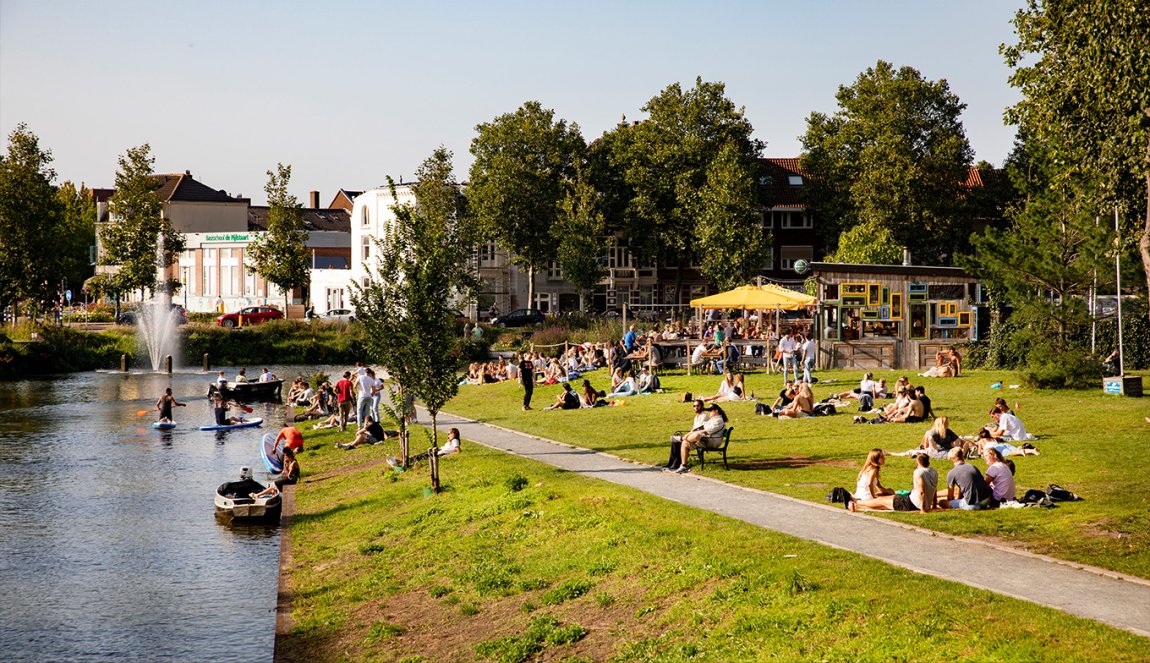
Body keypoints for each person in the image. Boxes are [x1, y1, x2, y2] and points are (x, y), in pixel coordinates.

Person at [847, 454, 939, 513]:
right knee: (890, 497)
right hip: (910, 500)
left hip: (910, 503)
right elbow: (934, 488)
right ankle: (858, 502)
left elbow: (922, 491)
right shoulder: (934, 471)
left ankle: (857, 503)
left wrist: (923, 509)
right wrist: (933, 505)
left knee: (880, 502)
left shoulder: (918, 472)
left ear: (917, 462)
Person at [672, 404, 727, 474]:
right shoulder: (712, 420)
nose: (709, 412)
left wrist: (689, 434)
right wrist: (690, 433)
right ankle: (683, 466)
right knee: (685, 443)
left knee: (696, 435)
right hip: (705, 440)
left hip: (713, 441)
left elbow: (706, 431)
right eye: (708, 411)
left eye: (710, 411)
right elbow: (701, 428)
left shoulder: (719, 420)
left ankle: (682, 438)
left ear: (716, 411)